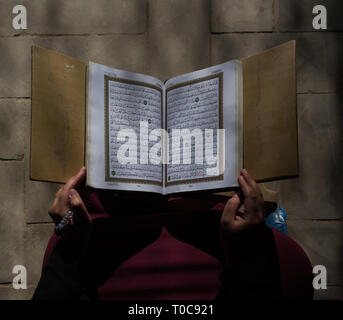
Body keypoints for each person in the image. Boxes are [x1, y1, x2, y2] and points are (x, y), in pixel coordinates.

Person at [32, 167, 314, 300]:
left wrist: (70, 245)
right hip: (240, 252)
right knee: (272, 228)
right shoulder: (291, 262)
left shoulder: (294, 264)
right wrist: (251, 252)